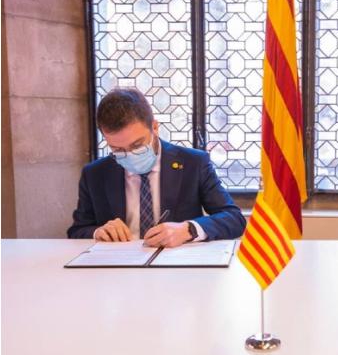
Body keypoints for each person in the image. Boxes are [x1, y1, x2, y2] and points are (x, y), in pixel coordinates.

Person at [68, 88, 245, 247]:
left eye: (137, 145)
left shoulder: (193, 163)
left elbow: (234, 219)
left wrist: (188, 230)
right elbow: (77, 231)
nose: (129, 155)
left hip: (177, 264)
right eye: (117, 149)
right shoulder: (95, 174)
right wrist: (98, 232)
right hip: (117, 265)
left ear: (154, 127)